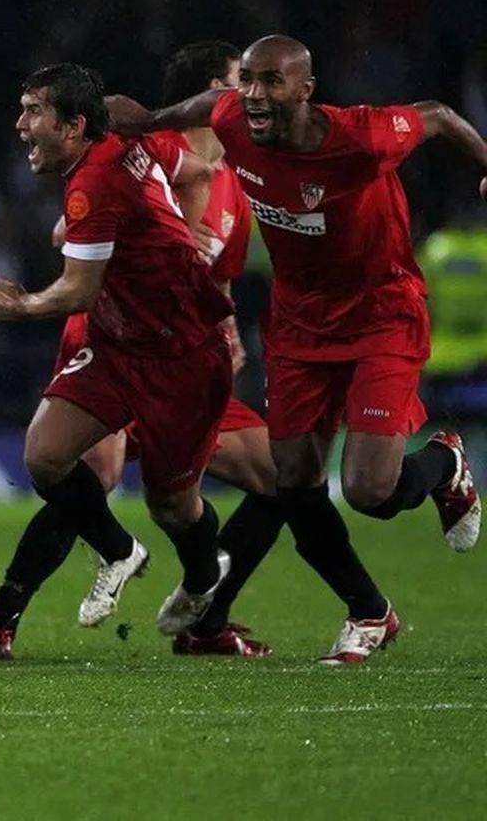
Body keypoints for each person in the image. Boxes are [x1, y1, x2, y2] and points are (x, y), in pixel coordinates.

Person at [109, 34, 486, 663]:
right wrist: (149, 121)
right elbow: (204, 106)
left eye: (271, 82)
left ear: (305, 90)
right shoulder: (234, 115)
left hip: (380, 315)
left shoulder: (363, 136)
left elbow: (440, 116)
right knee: (294, 484)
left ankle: (444, 464)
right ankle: (368, 615)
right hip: (299, 325)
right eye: (248, 80)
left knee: (368, 491)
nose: (254, 95)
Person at [0, 42, 285, 659]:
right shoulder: (141, 143)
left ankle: (203, 579)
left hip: (181, 361)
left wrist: (22, 306)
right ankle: (111, 554)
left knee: (174, 505)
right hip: (115, 345)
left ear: (74, 126)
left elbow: (79, 289)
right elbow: (187, 169)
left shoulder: (105, 179)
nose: (21, 125)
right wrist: (175, 223)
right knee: (48, 457)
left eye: (33, 112)